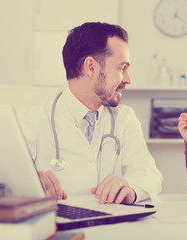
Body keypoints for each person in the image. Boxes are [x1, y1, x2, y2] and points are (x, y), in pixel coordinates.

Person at [18, 22, 162, 204]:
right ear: (91, 67)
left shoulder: (125, 118)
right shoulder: (32, 121)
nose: (128, 79)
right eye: (122, 68)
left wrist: (131, 189)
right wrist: (30, 187)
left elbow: (150, 175)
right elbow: (4, 181)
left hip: (112, 227)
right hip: (59, 228)